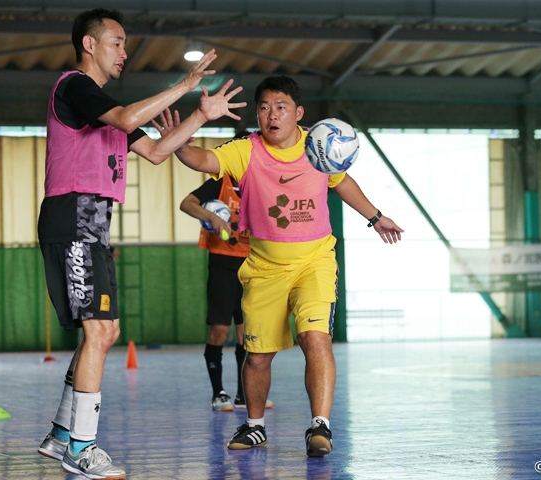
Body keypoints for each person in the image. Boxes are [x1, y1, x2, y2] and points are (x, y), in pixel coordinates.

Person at [36, 8, 245, 479]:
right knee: (98, 332)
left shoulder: (107, 110)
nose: (124, 51)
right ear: (89, 45)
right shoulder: (76, 87)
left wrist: (200, 114)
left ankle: (61, 435)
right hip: (72, 217)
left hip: (94, 224)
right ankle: (82, 449)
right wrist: (186, 83)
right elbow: (131, 115)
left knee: (104, 332)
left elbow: (155, 151)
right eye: (116, 42)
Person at [157, 75, 403, 457]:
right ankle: (255, 427)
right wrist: (181, 140)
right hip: (264, 267)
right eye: (265, 108)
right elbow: (202, 159)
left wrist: (375, 217)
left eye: (281, 107)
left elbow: (342, 181)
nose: (272, 115)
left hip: (314, 261)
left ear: (298, 113)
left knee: (315, 338)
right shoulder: (246, 150)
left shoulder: (317, 146)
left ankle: (320, 426)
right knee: (256, 356)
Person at [180, 135, 273, 412]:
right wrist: (210, 216)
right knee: (220, 330)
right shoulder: (219, 183)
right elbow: (187, 203)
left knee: (248, 334)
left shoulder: (259, 184)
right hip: (222, 262)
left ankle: (244, 393)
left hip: (252, 264)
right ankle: (218, 392)